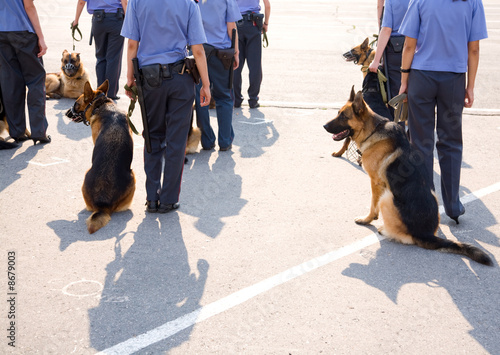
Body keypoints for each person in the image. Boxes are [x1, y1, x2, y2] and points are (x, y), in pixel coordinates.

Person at [398, 0, 487, 223]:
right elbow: (473, 49)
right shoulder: (473, 2)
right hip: (454, 80)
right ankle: (453, 206)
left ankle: (426, 206)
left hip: (422, 77)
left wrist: (403, 80)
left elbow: (409, 45)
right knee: (451, 142)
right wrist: (471, 86)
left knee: (421, 141)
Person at [121, 0, 211, 213]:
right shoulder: (188, 4)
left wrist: (129, 78)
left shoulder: (136, 2)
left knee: (152, 137)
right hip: (180, 79)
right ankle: (169, 200)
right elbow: (197, 50)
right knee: (176, 141)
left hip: (150, 80)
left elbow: (132, 44)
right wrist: (206, 85)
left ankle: (152, 198)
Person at [0, 0, 50, 144]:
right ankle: (39, 132)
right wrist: (41, 37)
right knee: (36, 81)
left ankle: (17, 132)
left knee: (11, 83)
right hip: (23, 33)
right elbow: (29, 7)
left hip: (2, 35)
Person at [195, 0, 242, 151]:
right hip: (221, 53)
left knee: (200, 97)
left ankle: (207, 140)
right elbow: (231, 27)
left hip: (198, 50)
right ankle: (225, 140)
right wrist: (236, 51)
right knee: (224, 97)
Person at [73, 0, 127, 100]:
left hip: (98, 21)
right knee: (113, 58)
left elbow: (81, 2)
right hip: (116, 20)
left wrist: (76, 21)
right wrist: (129, 22)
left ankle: (100, 92)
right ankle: (110, 92)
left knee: (100, 57)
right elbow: (124, 2)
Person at [369, 0, 410, 116]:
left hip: (395, 50)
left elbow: (386, 30)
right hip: (418, 50)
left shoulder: (392, 1)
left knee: (397, 96)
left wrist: (376, 60)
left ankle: (399, 129)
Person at [233, 0, 271, 109]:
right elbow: (267, 5)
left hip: (236, 23)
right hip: (253, 24)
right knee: (255, 65)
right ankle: (253, 99)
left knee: (236, 64)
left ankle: (236, 99)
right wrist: (266, 24)